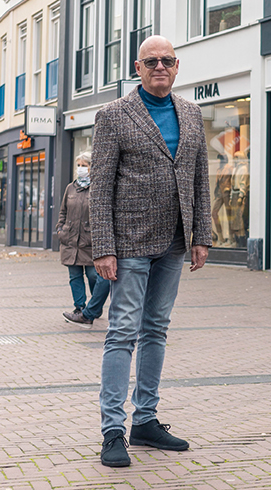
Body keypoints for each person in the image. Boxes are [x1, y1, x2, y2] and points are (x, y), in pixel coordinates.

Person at [90, 35, 212, 468]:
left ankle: (146, 419)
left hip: (176, 241)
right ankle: (112, 431)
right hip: (128, 245)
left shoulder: (192, 114)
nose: (160, 66)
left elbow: (200, 178)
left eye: (168, 60)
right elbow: (100, 187)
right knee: (122, 331)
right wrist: (103, 247)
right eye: (151, 61)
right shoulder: (113, 115)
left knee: (157, 329)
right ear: (137, 67)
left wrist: (202, 235)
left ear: (177, 67)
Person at [59, 152, 109, 327]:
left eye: (84, 165)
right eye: (78, 165)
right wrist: (61, 230)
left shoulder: (97, 188)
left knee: (93, 275)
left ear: (91, 167)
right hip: (71, 239)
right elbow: (63, 211)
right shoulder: (70, 188)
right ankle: (79, 308)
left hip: (89, 241)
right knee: (75, 276)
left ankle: (95, 306)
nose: (80, 169)